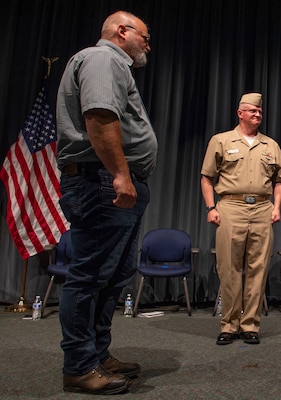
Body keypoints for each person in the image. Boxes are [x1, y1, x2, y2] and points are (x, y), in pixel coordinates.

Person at [56, 11, 157, 394]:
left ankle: (97, 354)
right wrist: (120, 174)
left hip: (113, 182)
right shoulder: (102, 59)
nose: (148, 45)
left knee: (114, 274)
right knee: (91, 276)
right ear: (121, 31)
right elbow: (99, 117)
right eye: (145, 37)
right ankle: (79, 366)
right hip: (103, 182)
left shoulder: (116, 66)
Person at [201, 93, 281, 345]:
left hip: (262, 209)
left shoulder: (270, 145)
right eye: (252, 111)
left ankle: (250, 324)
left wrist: (277, 207)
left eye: (260, 112)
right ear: (240, 113)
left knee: (257, 269)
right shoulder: (220, 140)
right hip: (230, 207)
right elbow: (207, 177)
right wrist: (211, 207)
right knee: (229, 269)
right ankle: (229, 324)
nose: (257, 115)